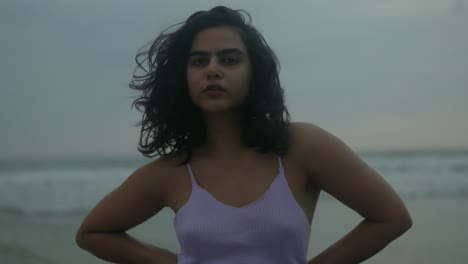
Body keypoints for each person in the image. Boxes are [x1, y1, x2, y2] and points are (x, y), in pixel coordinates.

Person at [75, 6, 412, 264]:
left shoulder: (300, 147)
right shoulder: (171, 172)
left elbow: (391, 218)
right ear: (183, 78)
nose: (212, 69)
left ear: (254, 73)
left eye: (230, 59)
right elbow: (93, 233)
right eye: (198, 61)